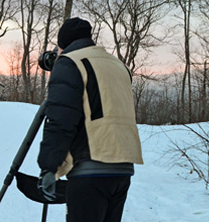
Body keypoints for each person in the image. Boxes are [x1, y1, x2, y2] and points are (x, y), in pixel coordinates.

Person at [36, 17, 143, 222]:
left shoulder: (70, 63)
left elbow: (60, 121)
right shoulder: (117, 65)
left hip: (90, 169)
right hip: (123, 168)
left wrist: (49, 168)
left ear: (63, 44)